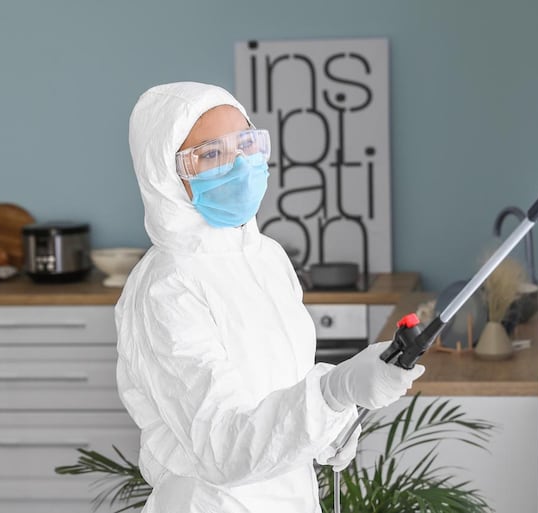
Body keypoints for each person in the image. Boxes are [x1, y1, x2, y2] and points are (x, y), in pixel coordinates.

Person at [115, 81, 425, 513]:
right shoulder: (168, 285)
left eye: (246, 143)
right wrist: (333, 392)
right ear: (165, 174)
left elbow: (276, 382)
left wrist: (332, 423)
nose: (240, 165)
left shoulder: (265, 257)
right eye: (211, 154)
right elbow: (222, 446)